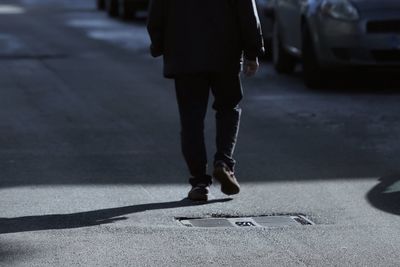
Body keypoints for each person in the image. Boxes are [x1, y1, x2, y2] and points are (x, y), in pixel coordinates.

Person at [147, 0, 264, 201]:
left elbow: (157, 10)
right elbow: (246, 10)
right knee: (228, 107)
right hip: (225, 51)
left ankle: (200, 183)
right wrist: (252, 51)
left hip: (184, 52)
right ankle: (224, 162)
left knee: (191, 119)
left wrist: (159, 43)